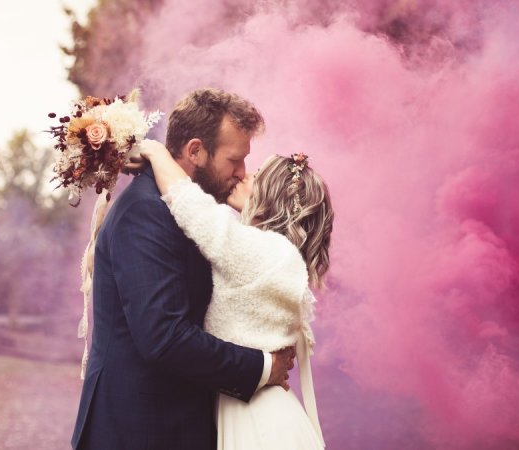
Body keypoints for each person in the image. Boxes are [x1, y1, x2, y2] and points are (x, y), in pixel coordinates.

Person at [70, 88, 296, 450]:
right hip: (140, 430)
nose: (242, 173)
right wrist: (263, 367)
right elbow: (163, 336)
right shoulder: (145, 211)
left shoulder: (189, 210)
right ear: (195, 151)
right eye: (234, 160)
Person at [137, 138, 334, 449]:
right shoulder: (270, 253)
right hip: (251, 409)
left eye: (255, 176)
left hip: (260, 424)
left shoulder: (267, 252)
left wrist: (155, 151)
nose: (243, 175)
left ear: (270, 197)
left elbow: (190, 206)